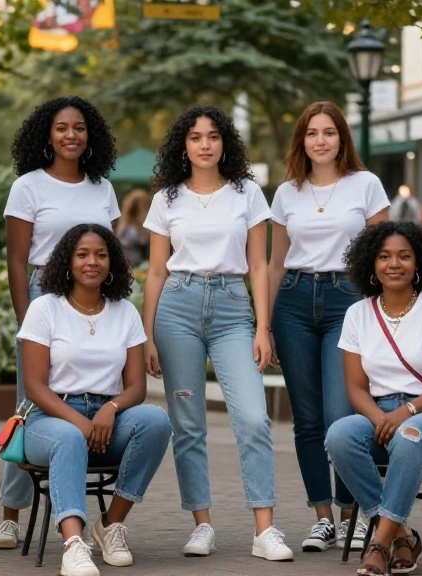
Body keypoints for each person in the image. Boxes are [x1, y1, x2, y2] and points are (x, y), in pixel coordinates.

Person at [143, 105, 293, 561]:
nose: (204, 144)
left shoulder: (247, 193)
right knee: (187, 425)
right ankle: (201, 523)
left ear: (225, 142)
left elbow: (258, 266)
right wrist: (148, 336)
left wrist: (263, 327)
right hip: (177, 309)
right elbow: (153, 274)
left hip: (232, 309)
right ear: (183, 146)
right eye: (195, 137)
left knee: (252, 417)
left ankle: (264, 529)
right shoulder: (166, 198)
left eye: (212, 135)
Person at [0, 96, 120, 549]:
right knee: (31, 406)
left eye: (80, 127)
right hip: (46, 299)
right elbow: (16, 257)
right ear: (47, 134)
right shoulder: (28, 186)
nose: (71, 135)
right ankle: (10, 514)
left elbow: (111, 253)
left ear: (91, 135)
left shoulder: (102, 187)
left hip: (92, 303)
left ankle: (95, 513)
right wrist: (30, 317)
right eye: (62, 127)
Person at [268, 100, 390, 552]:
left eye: (329, 132)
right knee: (307, 420)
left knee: (342, 415)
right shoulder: (287, 192)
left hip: (349, 299)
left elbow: (385, 255)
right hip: (295, 301)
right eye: (312, 133)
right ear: (302, 140)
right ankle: (323, 516)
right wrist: (265, 325)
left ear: (342, 138)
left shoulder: (366, 185)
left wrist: (383, 315)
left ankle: (353, 513)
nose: (321, 140)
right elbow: (275, 263)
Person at [20, 223, 172, 576]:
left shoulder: (124, 312)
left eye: (101, 255)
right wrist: (80, 421)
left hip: (107, 419)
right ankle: (74, 545)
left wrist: (110, 408)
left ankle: (110, 525)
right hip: (50, 419)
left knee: (156, 420)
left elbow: (136, 386)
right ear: (68, 261)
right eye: (83, 254)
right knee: (70, 437)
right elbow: (35, 386)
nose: (93, 262)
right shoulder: (46, 308)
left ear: (112, 263)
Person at [325, 221, 422, 576]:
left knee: (410, 435)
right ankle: (402, 534)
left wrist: (407, 411)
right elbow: (356, 387)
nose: (394, 264)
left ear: (418, 263)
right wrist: (379, 418)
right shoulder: (358, 314)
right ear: (371, 265)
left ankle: (379, 543)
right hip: (380, 414)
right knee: (339, 435)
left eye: (404, 256)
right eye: (385, 256)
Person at [115, 189, 152, 269]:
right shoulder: (125, 222)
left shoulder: (143, 221)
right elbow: (120, 240)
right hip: (127, 261)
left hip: (140, 262)